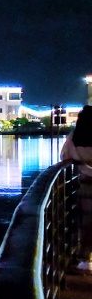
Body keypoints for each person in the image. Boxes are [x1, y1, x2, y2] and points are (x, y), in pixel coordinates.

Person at [60, 104, 92, 273]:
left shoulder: (74, 138)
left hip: (85, 183)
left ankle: (84, 258)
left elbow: (64, 155)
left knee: (85, 222)